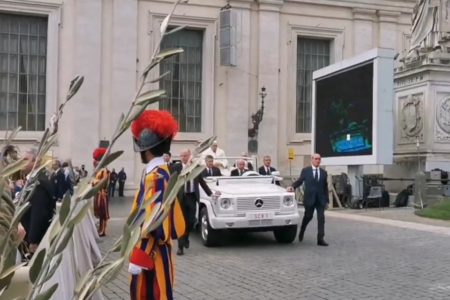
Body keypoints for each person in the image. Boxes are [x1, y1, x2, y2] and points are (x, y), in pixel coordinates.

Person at [127, 110, 185, 300]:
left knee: (152, 293)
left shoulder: (156, 176)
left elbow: (153, 222)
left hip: (152, 251)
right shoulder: (160, 172)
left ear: (147, 149)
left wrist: (141, 254)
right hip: (154, 250)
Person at [170, 149, 213, 255]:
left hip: (192, 197)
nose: (183, 158)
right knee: (181, 222)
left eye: (185, 155)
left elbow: (202, 182)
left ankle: (185, 237)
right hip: (180, 198)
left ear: (189, 156)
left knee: (191, 221)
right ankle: (180, 247)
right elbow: (171, 182)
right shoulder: (176, 167)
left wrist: (211, 194)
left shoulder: (195, 167)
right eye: (181, 156)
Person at [287, 153, 329, 246]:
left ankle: (320, 238)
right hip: (309, 199)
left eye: (319, 159)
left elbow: (325, 187)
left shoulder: (323, 173)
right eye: (316, 159)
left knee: (321, 218)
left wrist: (327, 200)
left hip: (320, 200)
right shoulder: (306, 171)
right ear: (312, 160)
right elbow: (300, 181)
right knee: (308, 217)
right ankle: (302, 230)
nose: (318, 160)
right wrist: (292, 186)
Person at [20, 148, 55, 254]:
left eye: (26, 160)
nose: (22, 163)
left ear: (37, 161)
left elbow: (39, 213)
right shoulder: (35, 180)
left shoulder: (38, 183)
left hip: (32, 238)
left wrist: (33, 240)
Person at [92, 148, 110, 237]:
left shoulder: (104, 170)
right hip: (98, 194)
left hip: (102, 195)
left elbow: (103, 182)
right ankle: (100, 228)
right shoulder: (99, 170)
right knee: (99, 213)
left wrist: (93, 182)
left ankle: (103, 230)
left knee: (103, 213)